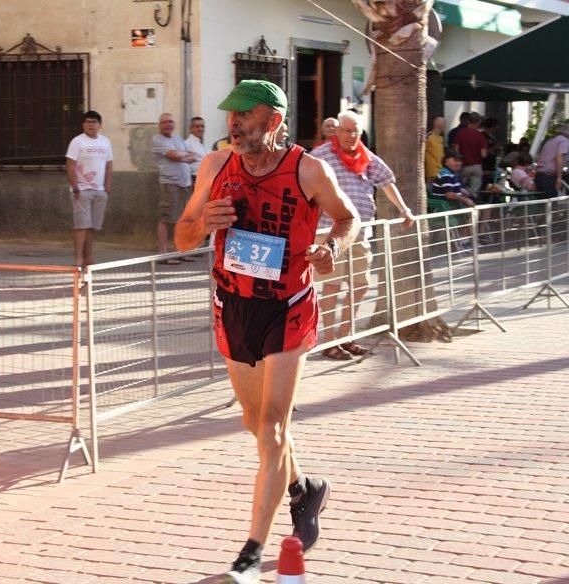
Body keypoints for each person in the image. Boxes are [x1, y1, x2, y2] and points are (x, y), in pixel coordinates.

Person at [175, 80, 360, 583]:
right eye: (230, 116)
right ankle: (305, 486)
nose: (233, 124)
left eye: (245, 116)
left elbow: (348, 217)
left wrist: (331, 249)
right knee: (254, 424)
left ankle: (252, 551)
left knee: (274, 427)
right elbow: (182, 231)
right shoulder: (214, 167)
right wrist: (202, 227)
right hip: (233, 303)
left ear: (273, 121)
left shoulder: (308, 169)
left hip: (288, 306)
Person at [310, 110, 416, 361]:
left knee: (360, 285)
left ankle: (347, 336)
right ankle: (329, 341)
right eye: (347, 130)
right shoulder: (321, 155)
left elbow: (387, 181)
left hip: (360, 231)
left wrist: (404, 209)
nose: (352, 135)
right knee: (332, 286)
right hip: (330, 231)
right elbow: (304, 184)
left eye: (356, 131)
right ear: (337, 131)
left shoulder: (366, 157)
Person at [65, 110, 113, 267]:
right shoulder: (77, 142)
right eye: (88, 122)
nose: (91, 125)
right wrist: (75, 187)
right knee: (81, 225)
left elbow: (109, 164)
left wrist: (107, 186)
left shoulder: (105, 142)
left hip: (99, 190)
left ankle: (88, 257)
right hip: (82, 189)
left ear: (100, 125)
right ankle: (78, 258)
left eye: (94, 122)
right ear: (83, 125)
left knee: (92, 226)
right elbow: (70, 165)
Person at [151, 113, 196, 263]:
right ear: (159, 125)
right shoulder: (158, 140)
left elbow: (192, 156)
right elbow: (172, 155)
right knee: (166, 219)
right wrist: (182, 156)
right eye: (164, 122)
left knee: (182, 219)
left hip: (185, 184)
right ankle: (163, 254)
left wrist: (181, 155)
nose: (168, 124)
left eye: (170, 121)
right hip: (170, 184)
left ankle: (180, 251)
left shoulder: (177, 138)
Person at [452, 111, 487, 195]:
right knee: (474, 191)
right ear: (478, 122)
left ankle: (462, 205)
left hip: (463, 165)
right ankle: (472, 203)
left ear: (468, 121)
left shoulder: (460, 133)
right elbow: (483, 154)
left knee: (459, 188)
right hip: (477, 165)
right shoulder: (481, 136)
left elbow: (455, 150)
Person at [535, 123, 569, 197]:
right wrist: (559, 177)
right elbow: (559, 157)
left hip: (540, 175)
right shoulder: (564, 141)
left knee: (543, 204)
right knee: (551, 204)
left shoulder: (552, 140)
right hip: (548, 177)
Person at [185, 116, 208, 185]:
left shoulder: (203, 145)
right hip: (195, 180)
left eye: (202, 126)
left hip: (205, 179)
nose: (200, 129)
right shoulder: (187, 144)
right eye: (197, 126)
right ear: (191, 129)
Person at [424, 116, 446, 182]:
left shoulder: (441, 138)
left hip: (441, 172)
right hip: (432, 173)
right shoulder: (429, 137)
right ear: (442, 126)